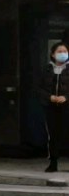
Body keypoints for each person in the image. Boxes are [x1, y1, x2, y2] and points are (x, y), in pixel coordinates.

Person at [37, 42, 69, 174]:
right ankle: (53, 162)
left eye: (65, 51)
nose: (63, 54)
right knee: (53, 134)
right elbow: (38, 88)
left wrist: (66, 97)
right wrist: (49, 97)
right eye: (59, 51)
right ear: (53, 54)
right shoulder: (47, 69)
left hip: (67, 106)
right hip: (50, 106)